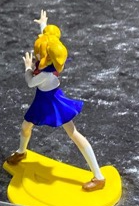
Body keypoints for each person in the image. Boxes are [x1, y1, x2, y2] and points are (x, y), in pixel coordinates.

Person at [6, 10, 106, 191]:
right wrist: (43, 25)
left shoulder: (46, 72)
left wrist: (28, 68)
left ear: (45, 57)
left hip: (52, 101)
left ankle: (99, 177)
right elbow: (48, 41)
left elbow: (30, 83)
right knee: (26, 126)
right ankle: (21, 152)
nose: (35, 55)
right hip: (42, 99)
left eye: (38, 54)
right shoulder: (50, 58)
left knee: (73, 133)